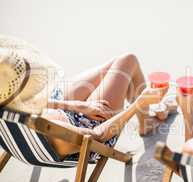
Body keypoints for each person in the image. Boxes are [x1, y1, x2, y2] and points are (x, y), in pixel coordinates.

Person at [0, 35, 176, 160]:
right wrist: (138, 104)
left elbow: (32, 103)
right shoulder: (50, 129)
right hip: (85, 129)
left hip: (57, 112)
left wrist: (74, 105)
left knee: (119, 64)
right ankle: (146, 119)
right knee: (127, 61)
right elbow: (96, 136)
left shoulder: (7, 100)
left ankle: (146, 112)